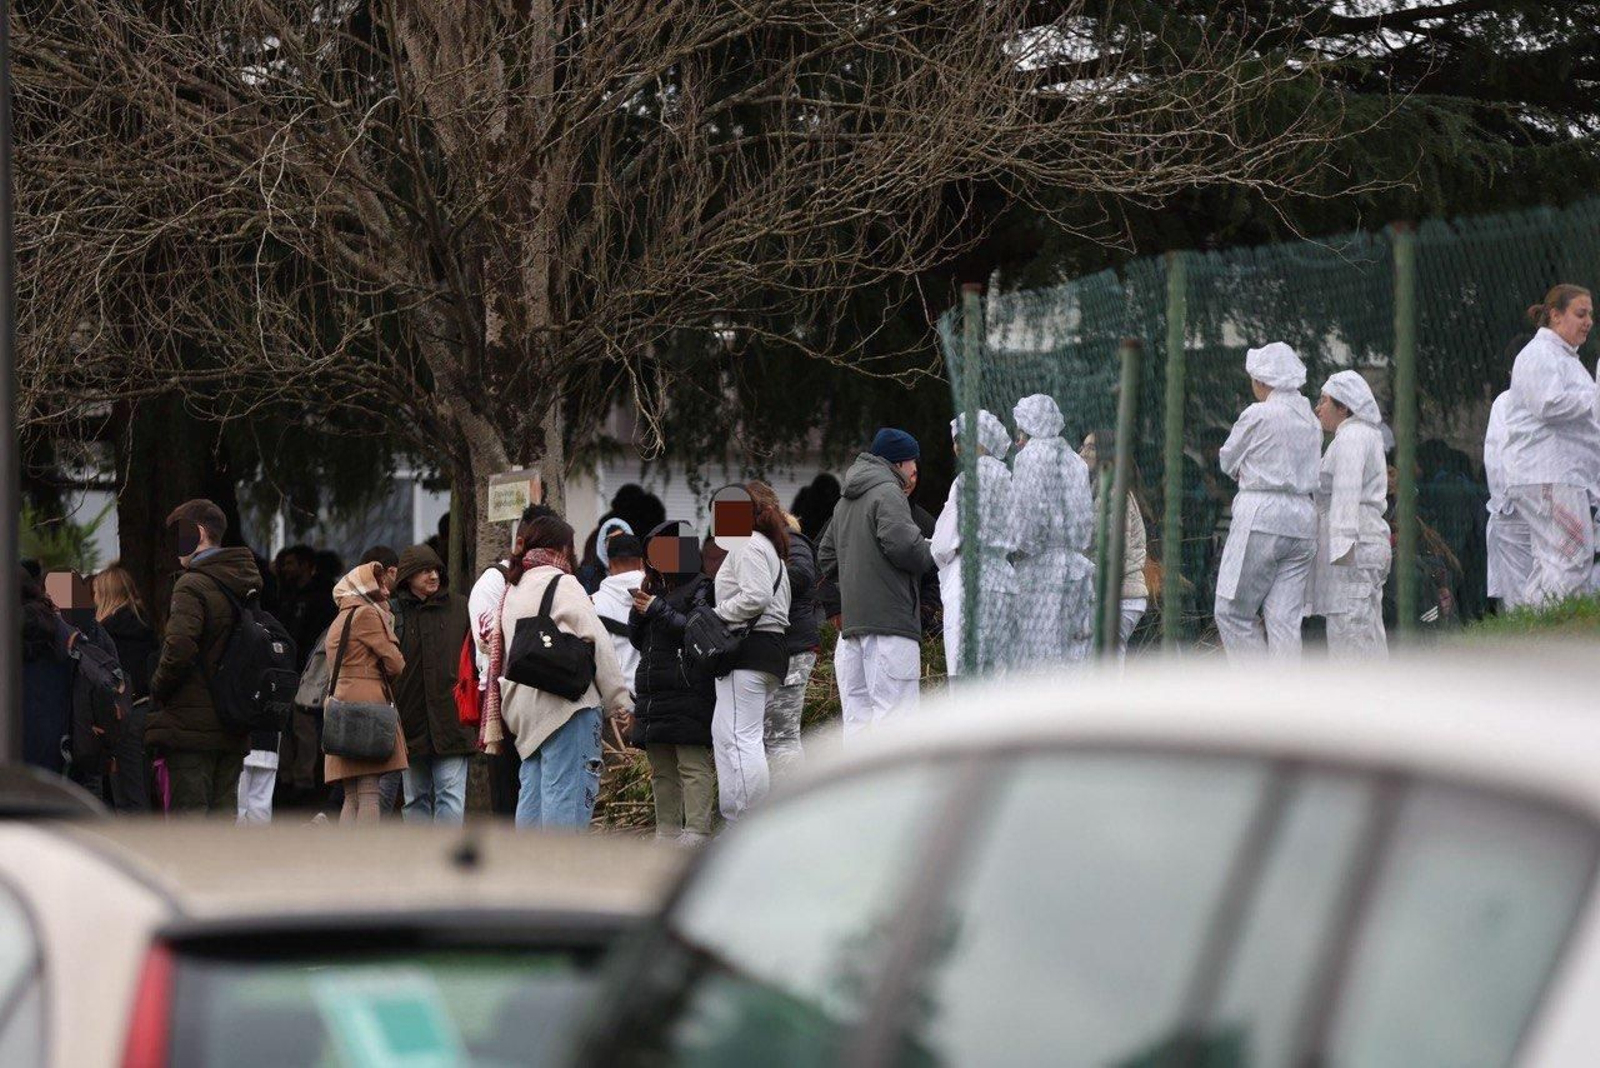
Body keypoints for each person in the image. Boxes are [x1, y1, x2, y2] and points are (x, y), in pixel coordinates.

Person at [496, 515, 632, 830]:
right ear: (563, 547)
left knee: (531, 805)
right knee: (565, 805)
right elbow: (598, 643)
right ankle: (561, 874)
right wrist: (619, 702)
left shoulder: (512, 588)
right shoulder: (563, 583)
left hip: (524, 714)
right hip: (566, 708)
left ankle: (528, 875)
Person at [817, 428, 935, 738]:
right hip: (891, 625)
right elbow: (905, 548)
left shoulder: (846, 500)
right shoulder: (888, 492)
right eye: (913, 464)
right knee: (896, 724)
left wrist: (860, 571)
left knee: (858, 723)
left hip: (853, 629)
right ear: (900, 463)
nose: (914, 472)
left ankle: (859, 789)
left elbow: (826, 556)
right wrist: (935, 551)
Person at [147, 499, 261, 815]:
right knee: (223, 819)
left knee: (191, 823)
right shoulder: (244, 582)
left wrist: (158, 688)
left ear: (197, 533)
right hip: (234, 720)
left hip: (191, 727)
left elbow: (180, 647)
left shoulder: (192, 583)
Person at [1211, 343, 1322, 659]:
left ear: (1262, 381)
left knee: (1232, 611)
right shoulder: (1311, 421)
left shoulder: (1258, 414)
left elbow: (1227, 459)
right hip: (1303, 519)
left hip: (1262, 516)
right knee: (1284, 619)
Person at [1504, 285, 1600, 605]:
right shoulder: (1539, 354)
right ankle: (1548, 631)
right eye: (1580, 314)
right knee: (1572, 558)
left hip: (1559, 475)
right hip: (1549, 474)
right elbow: (1548, 404)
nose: (1588, 322)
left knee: (1553, 560)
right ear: (1556, 316)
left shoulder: (1566, 358)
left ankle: (1533, 632)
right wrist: (1595, 397)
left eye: (1591, 315)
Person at [628, 521, 717, 844]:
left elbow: (696, 630)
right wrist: (640, 610)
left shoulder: (702, 586)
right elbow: (639, 640)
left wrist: (657, 609)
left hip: (688, 686)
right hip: (653, 688)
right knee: (661, 766)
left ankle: (696, 830)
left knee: (692, 762)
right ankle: (666, 829)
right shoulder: (655, 589)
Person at [469, 502, 561, 816]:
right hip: (503, 694)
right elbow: (487, 638)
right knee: (510, 789)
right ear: (521, 540)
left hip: (545, 693)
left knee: (540, 785)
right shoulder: (494, 582)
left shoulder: (554, 580)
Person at [708, 482, 791, 821]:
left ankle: (748, 822)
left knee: (741, 739)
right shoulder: (765, 548)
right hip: (762, 649)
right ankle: (738, 819)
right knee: (729, 736)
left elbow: (757, 597)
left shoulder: (748, 545)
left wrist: (716, 614)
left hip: (750, 649)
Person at [1307, 371, 1392, 659]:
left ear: (1343, 407)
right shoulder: (1363, 435)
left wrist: (1342, 547)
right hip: (1365, 540)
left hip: (1353, 546)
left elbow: (1346, 490)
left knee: (1349, 630)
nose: (1318, 408)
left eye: (1324, 401)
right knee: (1367, 630)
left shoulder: (1353, 436)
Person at [1007, 395, 1095, 668]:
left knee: (1038, 654)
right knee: (1073, 653)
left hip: (1039, 569)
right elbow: (1084, 521)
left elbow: (1029, 518)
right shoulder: (1074, 461)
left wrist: (1017, 547)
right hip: (1075, 566)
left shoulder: (1030, 459)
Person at [392, 545, 477, 823]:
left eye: (436, 570)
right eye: (424, 571)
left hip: (453, 719)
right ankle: (418, 860)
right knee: (415, 799)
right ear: (407, 577)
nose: (433, 576)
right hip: (409, 720)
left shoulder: (461, 607)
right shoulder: (392, 613)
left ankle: (445, 862)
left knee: (450, 798)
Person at [22, 569, 126, 791]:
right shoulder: (69, 632)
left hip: (34, 745)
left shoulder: (69, 630)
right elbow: (109, 676)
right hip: (75, 739)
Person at [931, 409, 1016, 676]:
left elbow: (944, 541)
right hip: (1002, 577)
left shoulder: (967, 480)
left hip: (968, 574)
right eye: (956, 440)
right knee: (996, 667)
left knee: (963, 661)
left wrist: (937, 552)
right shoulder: (1007, 478)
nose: (958, 447)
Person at [324, 560, 408, 824]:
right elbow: (395, 663)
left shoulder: (341, 618)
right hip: (367, 705)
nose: (384, 589)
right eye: (378, 585)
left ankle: (346, 856)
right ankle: (364, 857)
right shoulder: (366, 615)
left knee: (351, 794)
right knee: (370, 791)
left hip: (339, 704)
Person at [1081, 430, 1150, 658]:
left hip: (1120, 597)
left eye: (1091, 447)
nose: (1083, 453)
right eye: (1083, 446)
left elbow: (1114, 551)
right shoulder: (1102, 490)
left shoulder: (1113, 494)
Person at [92, 565, 156, 812]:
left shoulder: (105, 635)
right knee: (138, 788)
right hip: (145, 710)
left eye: (97, 592)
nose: (94, 598)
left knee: (125, 795)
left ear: (107, 595)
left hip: (121, 716)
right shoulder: (146, 628)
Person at [764, 511, 818, 780]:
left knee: (782, 735)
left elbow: (802, 575)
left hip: (793, 648)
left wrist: (762, 578)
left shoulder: (793, 542)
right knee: (773, 736)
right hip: (781, 648)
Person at [1484, 389, 1533, 609]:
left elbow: (1496, 456)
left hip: (1517, 506)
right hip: (1518, 506)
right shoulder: (1506, 401)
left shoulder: (1506, 402)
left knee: (1520, 590)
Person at [591, 531, 645, 696]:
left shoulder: (592, 604)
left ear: (609, 563)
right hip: (654, 701)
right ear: (641, 562)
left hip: (615, 706)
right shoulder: (659, 598)